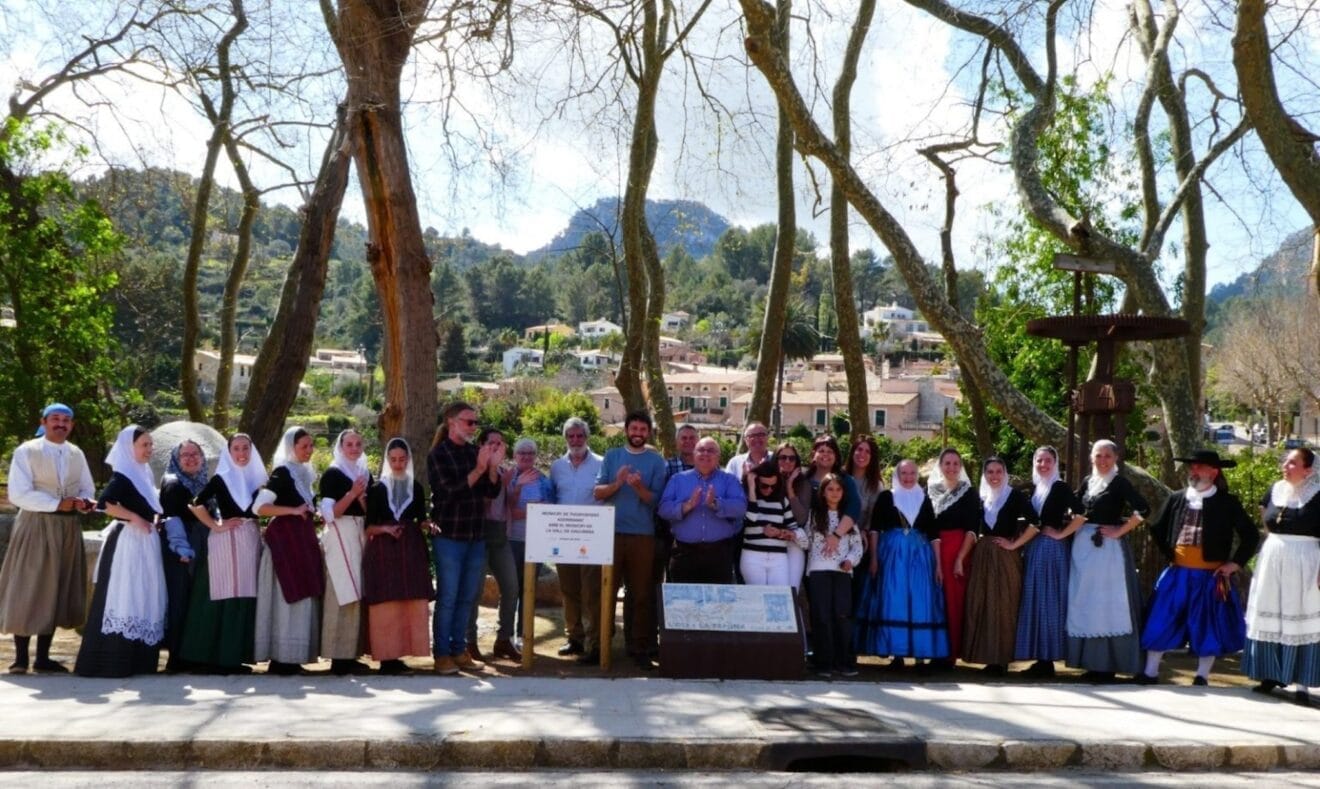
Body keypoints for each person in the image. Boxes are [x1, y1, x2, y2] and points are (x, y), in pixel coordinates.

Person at [1137, 449, 1258, 686]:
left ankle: (1202, 676)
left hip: (1210, 576)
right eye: (1192, 467)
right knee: (1161, 618)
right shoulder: (1177, 498)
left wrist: (1234, 564)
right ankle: (1150, 672)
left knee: (1207, 624)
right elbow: (1158, 528)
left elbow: (1250, 535)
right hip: (1178, 574)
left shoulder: (1227, 503)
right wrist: (1171, 554)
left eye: (1200, 467)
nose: (1194, 471)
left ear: (1214, 472)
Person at [0, 403, 96, 674]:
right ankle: (20, 658)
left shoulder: (76, 454)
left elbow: (87, 487)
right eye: (55, 419)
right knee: (29, 585)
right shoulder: (27, 451)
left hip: (67, 529)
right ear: (43, 422)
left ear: (72, 426)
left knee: (57, 586)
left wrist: (84, 502)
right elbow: (18, 494)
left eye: (66, 420)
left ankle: (43, 658)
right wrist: (56, 504)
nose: (61, 424)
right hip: (35, 525)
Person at [75, 425, 169, 677]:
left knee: (143, 596)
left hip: (145, 543)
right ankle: (111, 662)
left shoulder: (144, 473)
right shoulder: (123, 474)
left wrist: (152, 518)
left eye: (151, 445)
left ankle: (139, 661)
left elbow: (149, 504)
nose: (149, 449)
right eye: (144, 445)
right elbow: (105, 504)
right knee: (125, 596)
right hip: (128, 543)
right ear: (130, 448)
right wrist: (134, 518)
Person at [1066, 439, 1149, 683]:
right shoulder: (1088, 482)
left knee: (1107, 604)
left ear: (1115, 459)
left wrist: (1118, 531)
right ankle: (1090, 662)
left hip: (1107, 553)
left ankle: (1109, 663)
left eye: (1107, 456)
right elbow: (1076, 507)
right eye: (1098, 456)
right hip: (1084, 549)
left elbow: (1143, 510)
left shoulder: (1119, 483)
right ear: (1091, 458)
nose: (1102, 461)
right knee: (1086, 602)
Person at [180, 433, 265, 674]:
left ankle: (236, 656)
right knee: (224, 595)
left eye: (245, 448)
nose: (241, 453)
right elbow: (196, 504)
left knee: (245, 595)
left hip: (249, 539)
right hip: (226, 541)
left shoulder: (256, 478)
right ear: (229, 452)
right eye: (236, 448)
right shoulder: (221, 478)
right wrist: (216, 526)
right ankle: (215, 657)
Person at [428, 401, 502, 676]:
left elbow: (491, 493)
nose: (474, 427)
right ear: (452, 422)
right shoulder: (438, 454)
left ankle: (460, 650)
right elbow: (449, 493)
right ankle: (442, 654)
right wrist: (480, 469)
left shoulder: (474, 452)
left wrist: (493, 468)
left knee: (468, 597)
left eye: (475, 422)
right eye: (469, 422)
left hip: (475, 535)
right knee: (448, 597)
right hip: (449, 536)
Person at [1244, 447, 1320, 703]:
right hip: (1274, 557)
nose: (1285, 466)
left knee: (1299, 617)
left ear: (1308, 469)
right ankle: (1271, 674)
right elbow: (1264, 514)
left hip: (1305, 560)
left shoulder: (1318, 495)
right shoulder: (1275, 489)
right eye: (1285, 462)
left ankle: (1302, 683)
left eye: (1292, 463)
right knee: (1272, 614)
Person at [855, 460, 948, 669]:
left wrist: (939, 565)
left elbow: (933, 534)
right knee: (894, 600)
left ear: (917, 475)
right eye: (904, 473)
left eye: (912, 473)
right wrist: (874, 559)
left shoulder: (925, 499)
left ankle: (921, 655)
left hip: (919, 557)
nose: (908, 477)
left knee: (919, 601)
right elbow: (875, 530)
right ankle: (896, 654)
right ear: (897, 474)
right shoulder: (887, 497)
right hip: (892, 556)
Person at [593, 410, 667, 670]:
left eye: (642, 430)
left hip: (642, 536)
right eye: (633, 428)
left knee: (641, 594)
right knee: (606, 591)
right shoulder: (612, 456)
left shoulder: (657, 462)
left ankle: (639, 647)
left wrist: (637, 487)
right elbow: (598, 492)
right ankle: (601, 644)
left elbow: (657, 502)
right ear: (626, 430)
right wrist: (618, 483)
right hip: (610, 534)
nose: (637, 433)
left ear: (648, 433)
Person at [253, 426, 323, 676]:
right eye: (304, 446)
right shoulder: (283, 473)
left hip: (302, 540)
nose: (309, 450)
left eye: (311, 445)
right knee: (286, 597)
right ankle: (281, 659)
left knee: (303, 596)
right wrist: (292, 511)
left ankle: (294, 658)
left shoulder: (305, 473)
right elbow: (260, 507)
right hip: (285, 542)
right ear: (291, 448)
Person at [362, 438, 433, 674]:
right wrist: (386, 529)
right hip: (384, 550)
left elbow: (420, 518)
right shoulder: (377, 489)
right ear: (387, 460)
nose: (398, 463)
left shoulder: (417, 487)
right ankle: (386, 658)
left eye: (402, 459)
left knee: (409, 601)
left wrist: (428, 525)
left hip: (410, 548)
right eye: (393, 459)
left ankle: (400, 654)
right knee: (386, 602)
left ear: (408, 459)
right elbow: (369, 527)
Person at [961, 457, 1037, 676]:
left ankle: (1002, 658)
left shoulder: (1014, 496)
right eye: (990, 472)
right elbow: (973, 528)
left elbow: (1036, 522)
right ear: (984, 475)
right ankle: (987, 656)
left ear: (1005, 473)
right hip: (983, 555)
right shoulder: (981, 497)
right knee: (983, 605)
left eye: (998, 472)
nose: (994, 476)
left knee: (1004, 606)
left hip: (1005, 557)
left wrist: (1015, 544)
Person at [1014, 446, 1085, 678]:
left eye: (1047, 461)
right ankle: (1041, 658)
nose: (1043, 465)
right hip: (1035, 548)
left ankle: (1048, 658)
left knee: (1049, 601)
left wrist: (1061, 534)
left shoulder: (1060, 487)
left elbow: (1081, 514)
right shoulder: (1036, 489)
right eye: (1039, 460)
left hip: (1051, 549)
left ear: (1055, 464)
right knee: (1035, 600)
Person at [794, 473, 863, 677]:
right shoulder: (815, 516)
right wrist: (794, 534)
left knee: (842, 616)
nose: (834, 493)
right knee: (821, 616)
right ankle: (824, 662)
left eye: (838, 489)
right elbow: (806, 541)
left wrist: (850, 560)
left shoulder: (848, 519)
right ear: (823, 493)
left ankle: (844, 662)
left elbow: (857, 546)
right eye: (830, 489)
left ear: (843, 493)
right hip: (818, 572)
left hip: (841, 572)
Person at [548, 418, 603, 663]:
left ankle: (596, 643)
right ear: (565, 438)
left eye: (579, 435)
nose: (575, 440)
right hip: (564, 537)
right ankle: (575, 638)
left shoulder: (601, 464)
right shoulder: (557, 466)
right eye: (570, 436)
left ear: (587, 437)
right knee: (569, 591)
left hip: (592, 538)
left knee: (592, 592)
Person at [318, 429, 371, 675]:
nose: (354, 448)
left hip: (358, 533)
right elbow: (331, 513)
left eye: (358, 444)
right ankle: (337, 656)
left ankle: (350, 654)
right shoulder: (332, 474)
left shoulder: (363, 472)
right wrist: (352, 494)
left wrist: (361, 498)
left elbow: (369, 510)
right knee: (341, 590)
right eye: (349, 444)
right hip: (340, 533)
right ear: (341, 446)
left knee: (356, 591)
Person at [658, 437, 747, 584]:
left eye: (711, 450)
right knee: (684, 604)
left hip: (719, 555)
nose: (705, 454)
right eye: (701, 450)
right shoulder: (677, 479)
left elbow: (741, 508)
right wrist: (686, 506)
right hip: (684, 554)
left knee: (718, 605)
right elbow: (663, 509)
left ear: (718, 457)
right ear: (694, 454)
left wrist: (716, 504)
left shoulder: (729, 480)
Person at [465, 428, 519, 664]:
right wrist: (493, 477)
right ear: (482, 446)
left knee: (512, 587)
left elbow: (510, 506)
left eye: (500, 442)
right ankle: (469, 642)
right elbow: (482, 504)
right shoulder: (475, 471)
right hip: (478, 535)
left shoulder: (505, 471)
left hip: (500, 536)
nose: (497, 446)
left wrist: (511, 488)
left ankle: (504, 639)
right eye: (492, 443)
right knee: (474, 592)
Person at [158, 440, 210, 672]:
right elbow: (171, 518)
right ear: (176, 460)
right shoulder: (173, 484)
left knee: (195, 601)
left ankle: (194, 654)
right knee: (180, 600)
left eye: (195, 454)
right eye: (184, 455)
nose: (190, 458)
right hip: (181, 548)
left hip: (200, 543)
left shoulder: (202, 483)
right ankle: (177, 657)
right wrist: (181, 549)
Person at [928, 447, 980, 666]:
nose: (951, 468)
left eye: (955, 464)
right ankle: (934, 649)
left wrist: (960, 558)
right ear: (940, 466)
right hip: (933, 550)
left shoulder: (968, 492)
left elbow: (972, 528)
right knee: (934, 601)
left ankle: (951, 653)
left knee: (954, 602)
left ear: (961, 467)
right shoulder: (929, 491)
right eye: (947, 463)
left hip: (958, 550)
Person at [506, 437, 553, 651]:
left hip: (535, 543)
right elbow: (509, 512)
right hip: (511, 541)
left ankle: (525, 636)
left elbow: (548, 512)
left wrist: (529, 512)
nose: (526, 456)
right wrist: (530, 508)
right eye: (521, 453)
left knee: (529, 591)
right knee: (511, 590)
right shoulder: (507, 477)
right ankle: (506, 637)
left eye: (530, 453)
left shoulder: (543, 480)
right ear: (515, 456)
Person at [740, 459, 799, 586]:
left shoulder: (782, 501)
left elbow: (793, 529)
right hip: (753, 556)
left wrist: (780, 533)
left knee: (780, 597)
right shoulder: (746, 498)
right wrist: (751, 488)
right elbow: (751, 519)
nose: (769, 490)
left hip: (778, 557)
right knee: (757, 598)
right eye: (764, 486)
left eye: (773, 486)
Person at [775, 442, 812, 590]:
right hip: (770, 540)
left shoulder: (804, 484)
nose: (787, 462)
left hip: (794, 540)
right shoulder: (767, 480)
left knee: (792, 590)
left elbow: (801, 518)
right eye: (783, 457)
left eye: (792, 458)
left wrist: (790, 488)